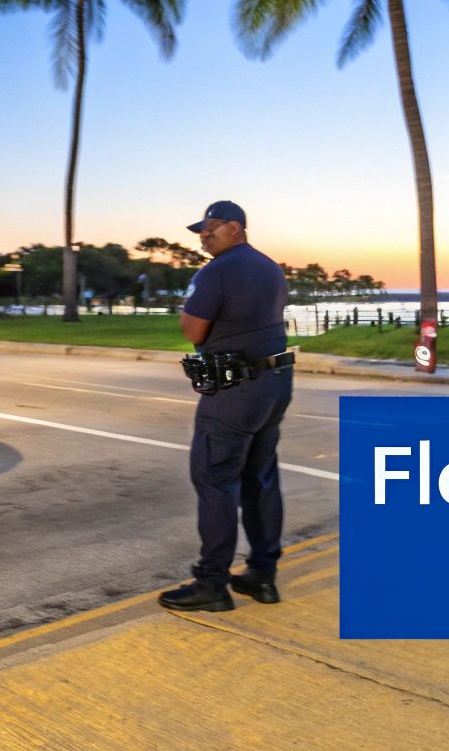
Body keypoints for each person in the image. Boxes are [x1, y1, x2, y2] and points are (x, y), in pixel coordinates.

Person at [159, 200, 294, 613]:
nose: (203, 234)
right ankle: (262, 576)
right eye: (201, 229)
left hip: (235, 391)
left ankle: (213, 584)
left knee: (215, 479)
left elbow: (192, 328)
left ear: (235, 227)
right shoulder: (270, 267)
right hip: (273, 384)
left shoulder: (216, 271)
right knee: (260, 479)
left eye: (211, 227)